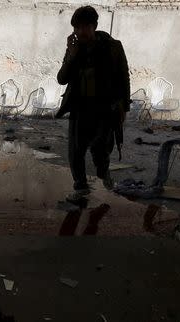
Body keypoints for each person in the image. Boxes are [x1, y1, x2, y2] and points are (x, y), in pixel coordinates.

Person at [55, 6, 131, 202]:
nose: (80, 32)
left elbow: (124, 78)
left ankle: (103, 172)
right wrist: (71, 55)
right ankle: (80, 188)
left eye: (84, 27)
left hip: (105, 109)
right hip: (80, 108)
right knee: (75, 151)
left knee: (101, 149)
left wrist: (124, 106)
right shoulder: (74, 49)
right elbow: (61, 79)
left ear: (94, 26)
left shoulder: (113, 47)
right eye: (77, 28)